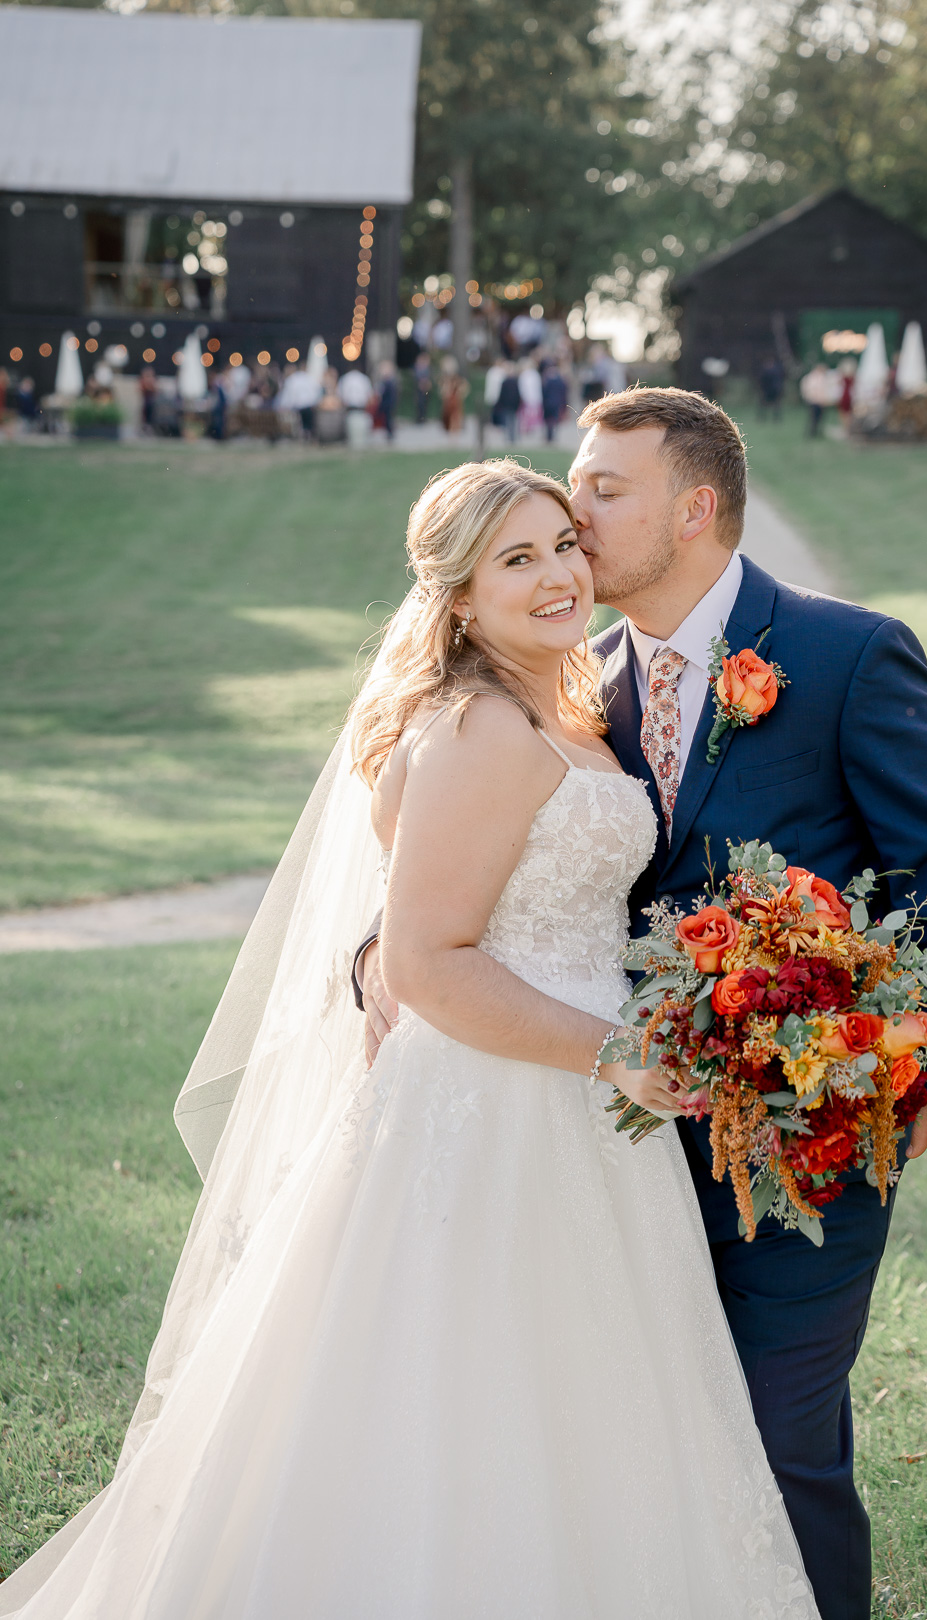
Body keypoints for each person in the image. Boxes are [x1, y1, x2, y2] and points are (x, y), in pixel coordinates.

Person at [1, 459, 818, 1620]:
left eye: (562, 544)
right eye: (515, 559)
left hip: (586, 1105)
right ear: (459, 598)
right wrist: (616, 1054)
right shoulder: (484, 726)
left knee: (584, 1400)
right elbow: (428, 962)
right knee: (463, 1395)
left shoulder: (568, 708)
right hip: (502, 1101)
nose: (555, 576)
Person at [357, 388, 927, 1620]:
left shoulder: (843, 652)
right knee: (638, 1447)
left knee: (777, 1446)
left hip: (804, 1130)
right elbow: (478, 863)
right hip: (605, 1144)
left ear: (697, 506)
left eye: (601, 493)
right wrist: (378, 955)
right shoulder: (572, 679)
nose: (575, 515)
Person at [799, 362, 836, 437]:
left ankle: (817, 432)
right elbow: (808, 390)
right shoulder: (811, 378)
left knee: (820, 418)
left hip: (821, 401)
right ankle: (812, 432)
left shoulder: (823, 378)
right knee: (813, 418)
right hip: (814, 401)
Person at [541, 361, 569, 443]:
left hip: (549, 403)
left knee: (549, 420)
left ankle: (549, 436)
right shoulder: (561, 381)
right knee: (554, 420)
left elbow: (544, 392)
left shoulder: (548, 381)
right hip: (557, 403)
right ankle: (552, 436)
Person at [439, 355, 467, 435]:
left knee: (456, 414)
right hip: (448, 399)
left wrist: (460, 392)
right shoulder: (445, 378)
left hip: (455, 398)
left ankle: (456, 429)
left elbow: (464, 386)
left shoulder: (457, 377)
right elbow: (443, 389)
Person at [495, 361, 521, 443]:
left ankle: (510, 437)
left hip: (509, 404)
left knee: (509, 420)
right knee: (511, 420)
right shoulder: (513, 381)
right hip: (511, 404)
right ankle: (511, 437)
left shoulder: (508, 382)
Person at [375, 358, 398, 441]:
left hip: (388, 403)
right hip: (386, 402)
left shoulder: (389, 381)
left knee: (388, 419)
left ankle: (390, 434)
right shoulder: (386, 381)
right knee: (386, 419)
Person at [757, 356, 785, 422]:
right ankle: (763, 418)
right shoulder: (771, 370)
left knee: (775, 406)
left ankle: (775, 418)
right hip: (768, 390)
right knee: (764, 405)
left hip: (773, 390)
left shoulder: (774, 371)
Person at [413, 349, 433, 423]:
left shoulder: (427, 368)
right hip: (419, 388)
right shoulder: (417, 367)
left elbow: (429, 377)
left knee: (424, 402)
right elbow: (416, 377)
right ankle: (419, 417)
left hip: (426, 388)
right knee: (419, 403)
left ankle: (423, 417)